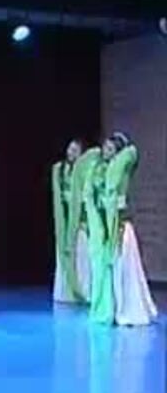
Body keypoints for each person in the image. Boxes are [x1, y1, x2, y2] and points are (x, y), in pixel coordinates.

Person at [85, 132, 157, 326]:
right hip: (104, 227)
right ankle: (110, 309)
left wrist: (121, 151)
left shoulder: (121, 169)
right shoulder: (99, 171)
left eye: (110, 149)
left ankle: (128, 310)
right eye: (105, 147)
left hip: (121, 226)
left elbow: (132, 153)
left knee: (123, 270)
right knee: (108, 270)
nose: (105, 151)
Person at [51, 139, 97, 304]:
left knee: (81, 254)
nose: (71, 153)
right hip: (65, 217)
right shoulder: (60, 169)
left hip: (79, 219)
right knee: (64, 252)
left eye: (75, 150)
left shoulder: (86, 171)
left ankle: (82, 290)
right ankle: (65, 293)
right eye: (70, 149)